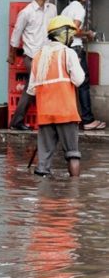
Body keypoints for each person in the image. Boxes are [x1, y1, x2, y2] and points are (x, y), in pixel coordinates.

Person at [27, 16, 85, 177]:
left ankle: (41, 191)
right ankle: (75, 190)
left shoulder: (38, 56)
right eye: (71, 35)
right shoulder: (68, 53)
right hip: (66, 112)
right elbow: (79, 80)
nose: (72, 38)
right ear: (63, 34)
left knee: (43, 162)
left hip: (45, 114)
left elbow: (31, 90)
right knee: (73, 154)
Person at [8, 0, 57, 131]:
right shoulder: (26, 12)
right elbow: (16, 35)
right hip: (33, 57)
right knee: (34, 88)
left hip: (49, 56)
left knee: (35, 88)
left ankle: (19, 121)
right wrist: (12, 55)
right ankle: (26, 121)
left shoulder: (52, 9)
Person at [61, 0, 105, 130]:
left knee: (70, 85)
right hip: (76, 49)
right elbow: (74, 30)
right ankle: (87, 120)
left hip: (65, 48)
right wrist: (88, 34)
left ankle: (70, 118)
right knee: (83, 84)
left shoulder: (66, 9)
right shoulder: (79, 8)